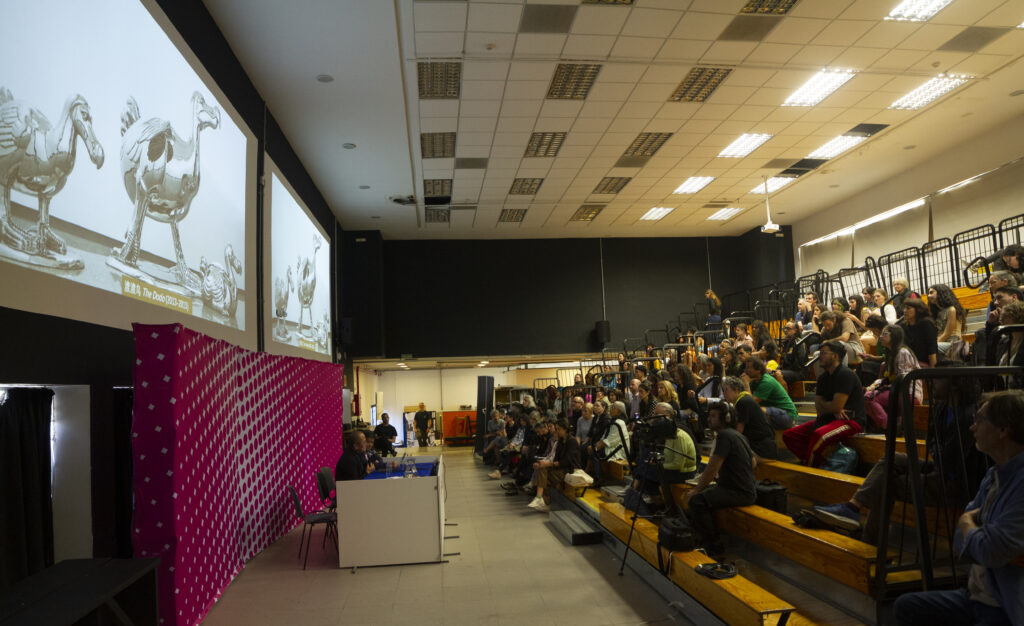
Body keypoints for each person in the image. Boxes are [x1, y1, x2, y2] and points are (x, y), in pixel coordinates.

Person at [812, 364, 987, 545]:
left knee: (887, 483)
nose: (931, 383)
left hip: (957, 482)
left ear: (954, 384)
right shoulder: (941, 408)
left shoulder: (968, 415)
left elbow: (952, 458)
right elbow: (933, 444)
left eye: (937, 379)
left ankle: (870, 540)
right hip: (940, 468)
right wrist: (937, 455)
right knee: (893, 458)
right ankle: (852, 508)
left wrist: (936, 457)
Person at [891, 389, 1024, 626]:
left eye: (980, 421)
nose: (972, 428)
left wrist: (967, 524)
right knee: (906, 607)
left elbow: (991, 551)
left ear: (1004, 430)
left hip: (1004, 604)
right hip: (976, 595)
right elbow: (960, 544)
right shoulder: (994, 475)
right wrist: (975, 534)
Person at [684, 402, 757, 557]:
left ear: (726, 418)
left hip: (738, 492)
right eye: (709, 415)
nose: (709, 419)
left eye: (713, 416)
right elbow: (753, 462)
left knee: (696, 501)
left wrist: (697, 490)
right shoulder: (738, 435)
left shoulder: (724, 436)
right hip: (745, 489)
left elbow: (712, 468)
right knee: (706, 496)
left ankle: (713, 546)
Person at [782, 341, 866, 466]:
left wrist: (830, 406)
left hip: (851, 421)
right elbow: (819, 408)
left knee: (819, 434)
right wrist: (832, 408)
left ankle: (810, 469)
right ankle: (815, 462)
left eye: (823, 353)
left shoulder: (845, 374)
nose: (819, 356)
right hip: (829, 419)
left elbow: (834, 406)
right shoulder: (822, 378)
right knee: (790, 435)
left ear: (835, 356)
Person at [863, 324, 921, 430]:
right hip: (897, 392)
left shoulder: (903, 352)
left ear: (894, 336)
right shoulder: (891, 354)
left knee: (869, 397)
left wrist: (878, 388)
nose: (881, 337)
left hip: (909, 393)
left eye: (884, 334)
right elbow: (888, 378)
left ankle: (889, 429)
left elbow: (903, 380)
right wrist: (874, 385)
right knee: (868, 393)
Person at [653, 402, 697, 517]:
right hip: (675, 469)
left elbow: (678, 464)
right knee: (649, 473)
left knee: (653, 476)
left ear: (667, 416)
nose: (654, 418)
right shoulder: (668, 433)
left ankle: (671, 510)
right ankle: (666, 507)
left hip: (684, 473)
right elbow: (669, 456)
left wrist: (660, 465)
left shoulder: (678, 435)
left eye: (657, 415)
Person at [528, 418, 581, 512]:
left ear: (565, 429)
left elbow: (567, 461)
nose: (556, 431)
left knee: (544, 473)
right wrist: (544, 463)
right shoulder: (561, 441)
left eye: (558, 429)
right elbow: (556, 458)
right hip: (560, 467)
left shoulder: (572, 441)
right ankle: (541, 499)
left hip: (569, 469)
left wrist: (549, 464)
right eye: (556, 429)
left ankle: (541, 498)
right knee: (541, 469)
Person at [722, 375, 777, 459]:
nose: (724, 394)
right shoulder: (744, 399)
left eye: (726, 390)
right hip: (759, 445)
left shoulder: (742, 402)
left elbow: (738, 430)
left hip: (761, 449)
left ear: (736, 389)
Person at [742, 357, 797, 430]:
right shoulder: (753, 381)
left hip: (788, 416)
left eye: (749, 368)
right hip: (776, 413)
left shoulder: (766, 381)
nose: (745, 371)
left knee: (756, 411)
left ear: (758, 370)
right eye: (745, 367)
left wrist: (746, 384)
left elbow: (751, 403)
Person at [928, 283, 966, 357]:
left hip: (952, 343)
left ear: (941, 293)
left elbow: (947, 334)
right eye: (928, 293)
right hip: (941, 342)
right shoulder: (938, 312)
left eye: (931, 292)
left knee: (928, 350)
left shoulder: (951, 309)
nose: (928, 296)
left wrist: (932, 346)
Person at [901, 298, 938, 367]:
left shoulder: (926, 323)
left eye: (908, 308)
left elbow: (931, 348)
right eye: (904, 308)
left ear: (918, 310)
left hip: (925, 363)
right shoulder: (903, 325)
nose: (904, 311)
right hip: (910, 362)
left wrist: (933, 372)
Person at [777, 321, 808, 386]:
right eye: (784, 328)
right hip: (788, 371)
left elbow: (799, 363)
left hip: (798, 372)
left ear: (795, 330)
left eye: (788, 328)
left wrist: (782, 370)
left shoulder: (799, 342)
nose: (785, 330)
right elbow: (783, 361)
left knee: (777, 375)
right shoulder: (786, 343)